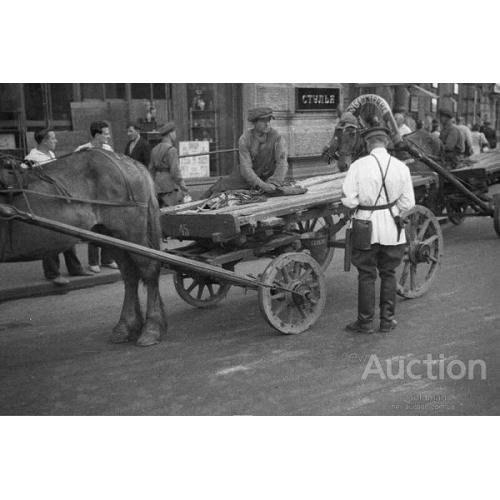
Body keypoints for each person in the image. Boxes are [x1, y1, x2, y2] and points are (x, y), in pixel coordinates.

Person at [342, 126, 415, 334]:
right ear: (386, 142)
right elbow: (408, 204)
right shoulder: (401, 167)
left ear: (367, 144)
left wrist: (360, 204)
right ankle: (387, 321)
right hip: (392, 228)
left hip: (365, 226)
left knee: (366, 275)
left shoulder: (358, 166)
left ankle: (364, 323)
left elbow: (348, 200)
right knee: (389, 273)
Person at [25, 127, 92, 285]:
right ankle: (52, 273)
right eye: (53, 138)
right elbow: (28, 179)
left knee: (66, 233)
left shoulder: (51, 154)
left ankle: (75, 267)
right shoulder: (32, 158)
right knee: (49, 238)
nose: (56, 141)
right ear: (45, 141)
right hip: (43, 203)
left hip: (55, 201)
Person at [204, 107, 288, 196]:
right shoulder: (245, 138)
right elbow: (246, 168)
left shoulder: (277, 137)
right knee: (218, 188)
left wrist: (274, 183)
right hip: (244, 179)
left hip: (267, 178)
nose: (267, 124)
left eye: (269, 120)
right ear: (254, 123)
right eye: (263, 121)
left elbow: (282, 163)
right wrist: (262, 185)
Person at [75, 121, 118, 273]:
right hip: (91, 196)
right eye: (106, 134)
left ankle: (107, 259)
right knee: (94, 228)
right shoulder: (82, 150)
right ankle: (93, 261)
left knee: (109, 227)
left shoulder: (108, 149)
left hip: (107, 195)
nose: (109, 136)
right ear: (97, 134)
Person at [149, 122, 190, 207]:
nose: (175, 135)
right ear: (170, 134)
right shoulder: (172, 150)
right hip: (169, 187)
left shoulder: (154, 149)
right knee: (170, 214)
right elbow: (175, 172)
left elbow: (151, 170)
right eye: (174, 132)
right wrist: (184, 188)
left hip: (156, 187)